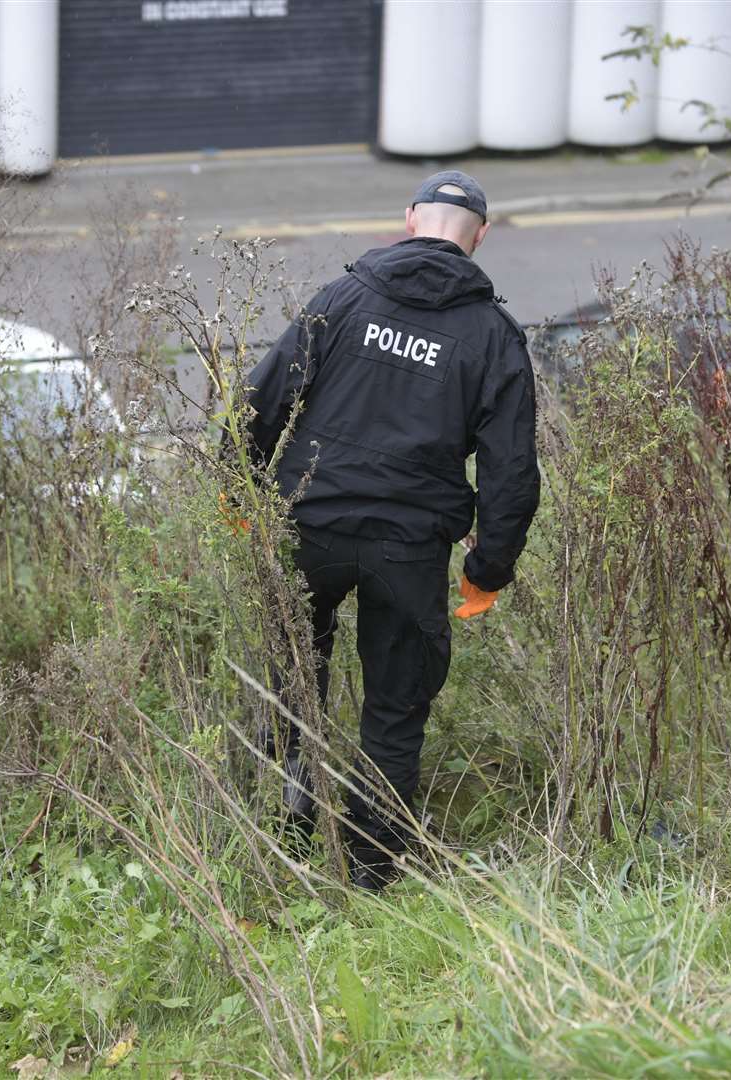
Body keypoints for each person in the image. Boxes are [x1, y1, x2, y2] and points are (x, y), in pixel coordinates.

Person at [243, 171, 540, 890]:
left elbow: (264, 395)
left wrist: (240, 492)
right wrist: (489, 567)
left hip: (308, 524)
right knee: (395, 708)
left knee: (291, 685)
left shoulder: (343, 299)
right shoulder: (492, 335)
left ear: (410, 219)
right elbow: (511, 468)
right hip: (406, 549)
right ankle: (371, 876)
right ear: (480, 237)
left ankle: (284, 837)